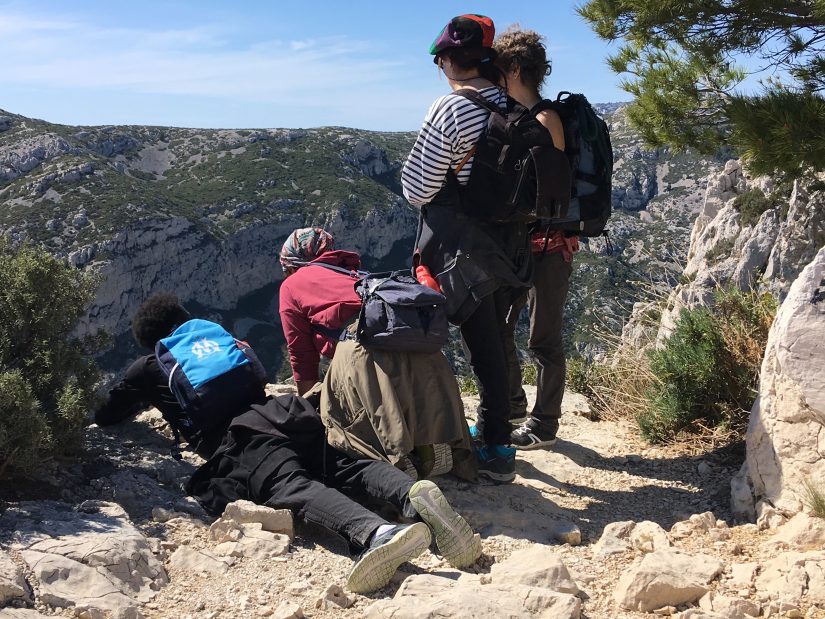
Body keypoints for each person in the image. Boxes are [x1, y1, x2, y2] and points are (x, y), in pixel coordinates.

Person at [94, 292, 481, 594]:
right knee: (342, 465)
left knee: (289, 485)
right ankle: (410, 493)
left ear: (152, 342)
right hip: (286, 414)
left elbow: (107, 413)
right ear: (182, 321)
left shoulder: (149, 367)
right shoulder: (214, 337)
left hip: (243, 440)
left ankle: (376, 533)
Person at [401, 14, 532, 483]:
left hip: (463, 251)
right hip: (511, 244)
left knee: (465, 343)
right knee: (495, 340)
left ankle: (487, 446)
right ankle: (496, 434)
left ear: (445, 61)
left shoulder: (450, 109)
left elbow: (418, 188)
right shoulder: (512, 102)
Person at [277, 227, 476, 481]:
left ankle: (393, 457)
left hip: (362, 349)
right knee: (399, 379)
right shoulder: (356, 274)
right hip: (418, 347)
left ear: (294, 263)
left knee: (338, 418)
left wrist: (309, 410)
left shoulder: (292, 286)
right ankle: (430, 439)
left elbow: (301, 355)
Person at [493, 26, 579, 449]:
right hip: (520, 245)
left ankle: (544, 425)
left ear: (513, 68)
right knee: (500, 328)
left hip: (549, 247)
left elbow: (550, 191)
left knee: (542, 338)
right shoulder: (520, 116)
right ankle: (512, 408)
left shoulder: (546, 120)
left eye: (497, 67)